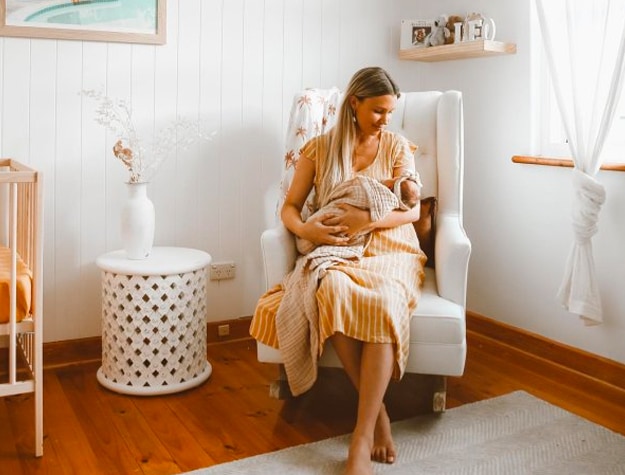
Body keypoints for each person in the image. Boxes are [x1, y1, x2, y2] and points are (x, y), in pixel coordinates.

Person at [250, 66, 426, 475]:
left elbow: (412, 208)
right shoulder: (319, 149)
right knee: (332, 291)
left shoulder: (397, 146)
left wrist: (369, 222)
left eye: (390, 112)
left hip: (390, 245)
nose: (385, 120)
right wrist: (307, 229)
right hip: (337, 247)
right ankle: (378, 415)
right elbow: (289, 207)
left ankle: (360, 439)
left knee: (382, 301)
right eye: (378, 111)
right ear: (354, 104)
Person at [295, 173, 422, 255]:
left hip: (385, 250)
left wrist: (365, 219)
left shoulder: (398, 147)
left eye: (394, 180)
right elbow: (291, 205)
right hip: (314, 229)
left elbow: (415, 212)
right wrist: (302, 230)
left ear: (390, 187)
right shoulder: (322, 144)